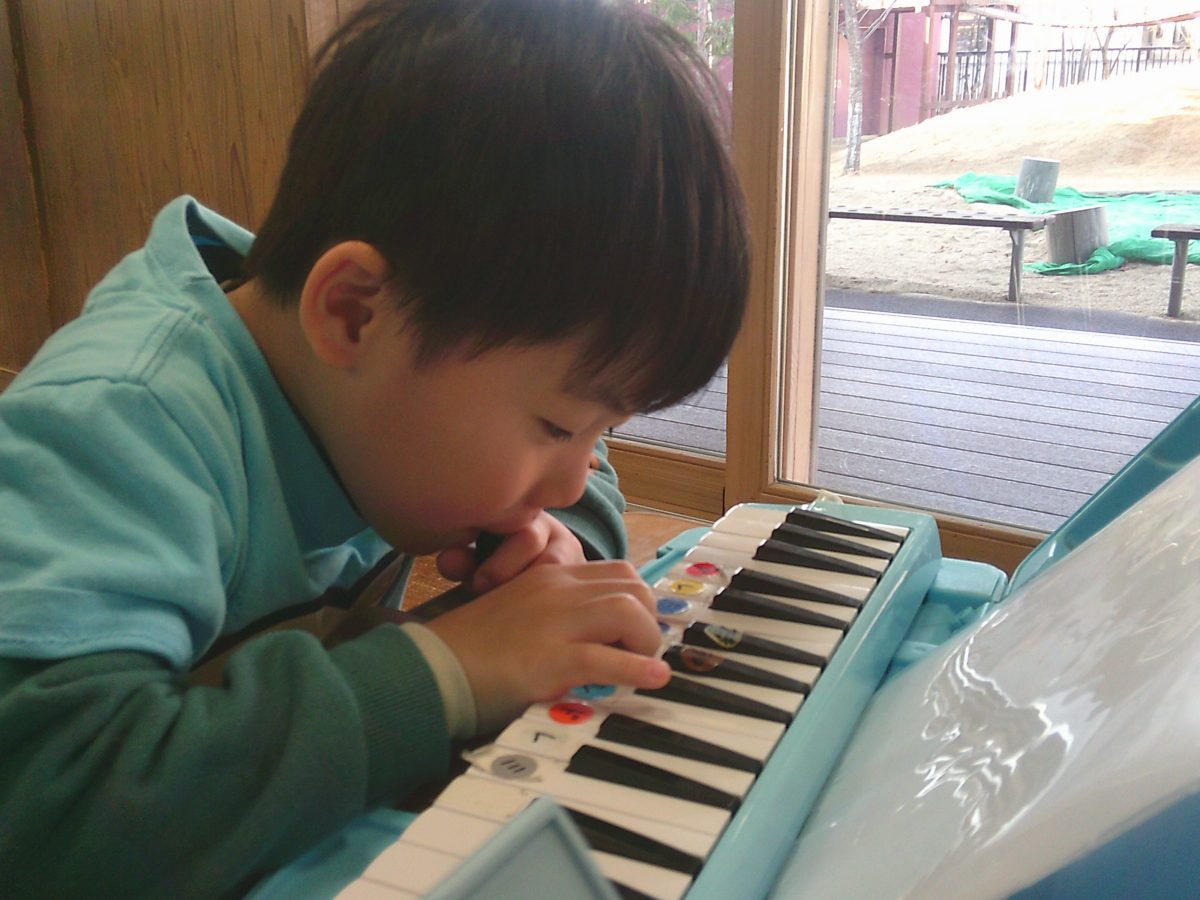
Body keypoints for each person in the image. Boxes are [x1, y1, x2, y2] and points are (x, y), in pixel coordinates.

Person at [0, 0, 749, 895]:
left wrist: (560, 556)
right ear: (355, 312)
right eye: (557, 427)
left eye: (602, 430)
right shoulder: (120, 429)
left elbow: (579, 477)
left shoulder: (370, 380)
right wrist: (447, 669)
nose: (572, 475)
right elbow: (49, 813)